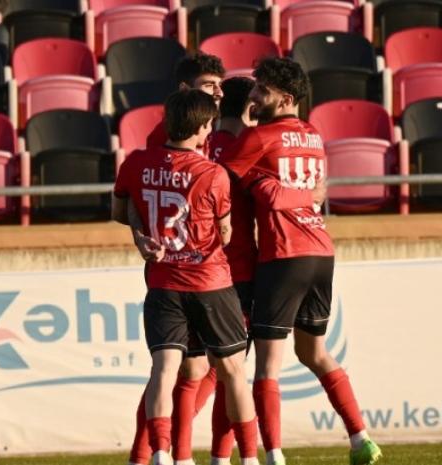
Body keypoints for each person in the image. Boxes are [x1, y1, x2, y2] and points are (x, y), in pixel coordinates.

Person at [221, 57, 382, 465]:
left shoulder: (259, 137)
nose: (254, 96)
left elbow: (219, 179)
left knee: (267, 367)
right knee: (315, 353)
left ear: (286, 98)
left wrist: (256, 176)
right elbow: (304, 189)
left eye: (263, 90)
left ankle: (274, 455)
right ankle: (360, 438)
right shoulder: (313, 135)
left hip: (283, 254)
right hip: (321, 251)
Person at [113, 89, 260, 465]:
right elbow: (225, 233)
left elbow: (121, 209)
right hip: (210, 282)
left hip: (163, 283)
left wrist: (142, 235)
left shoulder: (136, 163)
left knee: (163, 371)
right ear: (202, 127)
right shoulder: (212, 174)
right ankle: (249, 457)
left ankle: (160, 453)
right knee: (233, 371)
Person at [208, 76, 325, 465]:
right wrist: (305, 194)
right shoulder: (263, 142)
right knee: (231, 371)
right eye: (255, 92)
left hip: (217, 264)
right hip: (250, 264)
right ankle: (254, 456)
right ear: (248, 107)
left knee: (204, 372)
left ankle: (175, 454)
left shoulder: (207, 145)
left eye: (264, 90)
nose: (258, 97)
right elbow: (276, 194)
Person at [127, 52, 226, 465]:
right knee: (185, 368)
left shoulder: (220, 130)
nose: (218, 93)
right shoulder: (164, 140)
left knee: (195, 369)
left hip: (218, 263)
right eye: (209, 85)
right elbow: (138, 196)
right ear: (185, 91)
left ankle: (173, 454)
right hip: (190, 268)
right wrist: (140, 236)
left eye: (220, 86)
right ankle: (150, 454)